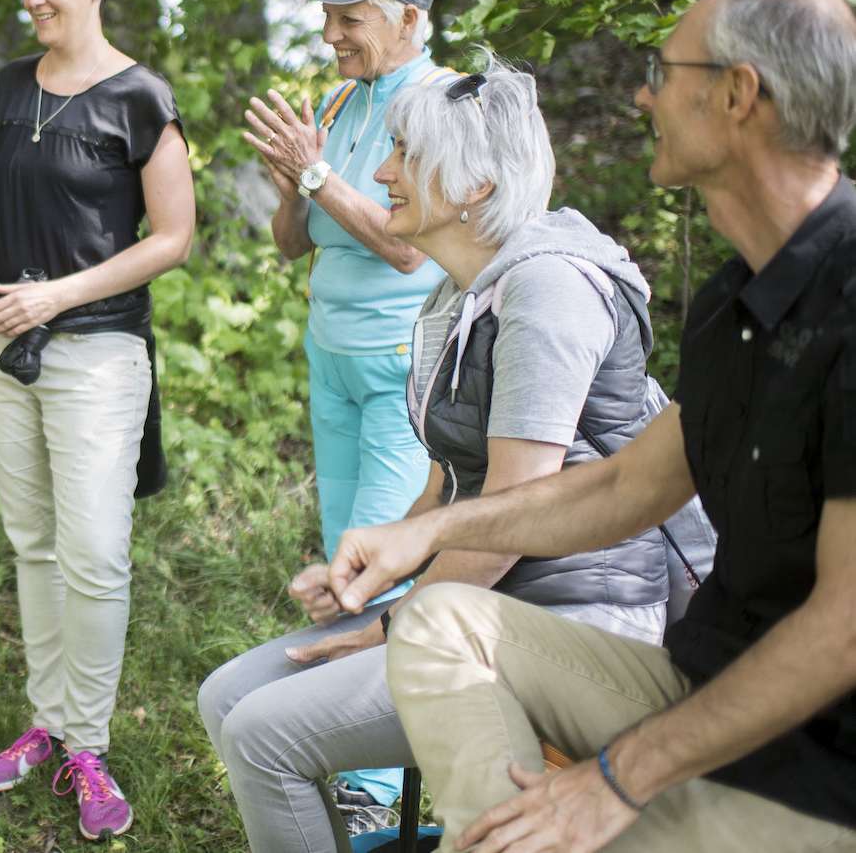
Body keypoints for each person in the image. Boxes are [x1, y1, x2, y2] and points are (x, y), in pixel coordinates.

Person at [329, 0, 856, 852]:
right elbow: (621, 484)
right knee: (437, 620)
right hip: (693, 689)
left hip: (819, 772)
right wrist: (423, 535)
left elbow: (843, 631)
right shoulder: (737, 300)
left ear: (737, 94)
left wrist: (618, 777)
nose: (644, 92)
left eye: (665, 68)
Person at [198, 59, 683, 852]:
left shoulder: (549, 290)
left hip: (572, 629)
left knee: (263, 735)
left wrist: (391, 626)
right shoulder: (458, 291)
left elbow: (510, 517)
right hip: (480, 612)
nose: (381, 172)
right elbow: (448, 488)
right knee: (228, 696)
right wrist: (375, 571)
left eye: (404, 156)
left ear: (475, 186)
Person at [0, 0, 195, 842]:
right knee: (32, 542)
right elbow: (9, 203)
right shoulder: (9, 85)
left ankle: (89, 745)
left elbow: (174, 238)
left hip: (97, 353)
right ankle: (47, 722)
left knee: (96, 552)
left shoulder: (140, 99)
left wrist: (58, 296)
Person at [238, 0, 453, 827]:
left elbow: (410, 243)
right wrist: (292, 185)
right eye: (326, 16)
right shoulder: (340, 96)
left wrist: (319, 172)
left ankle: (383, 786)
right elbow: (295, 244)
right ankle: (345, 761)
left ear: (408, 18)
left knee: (384, 563)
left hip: (403, 365)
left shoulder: (437, 102)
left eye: (349, 16)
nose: (330, 33)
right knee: (343, 554)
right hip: (330, 353)